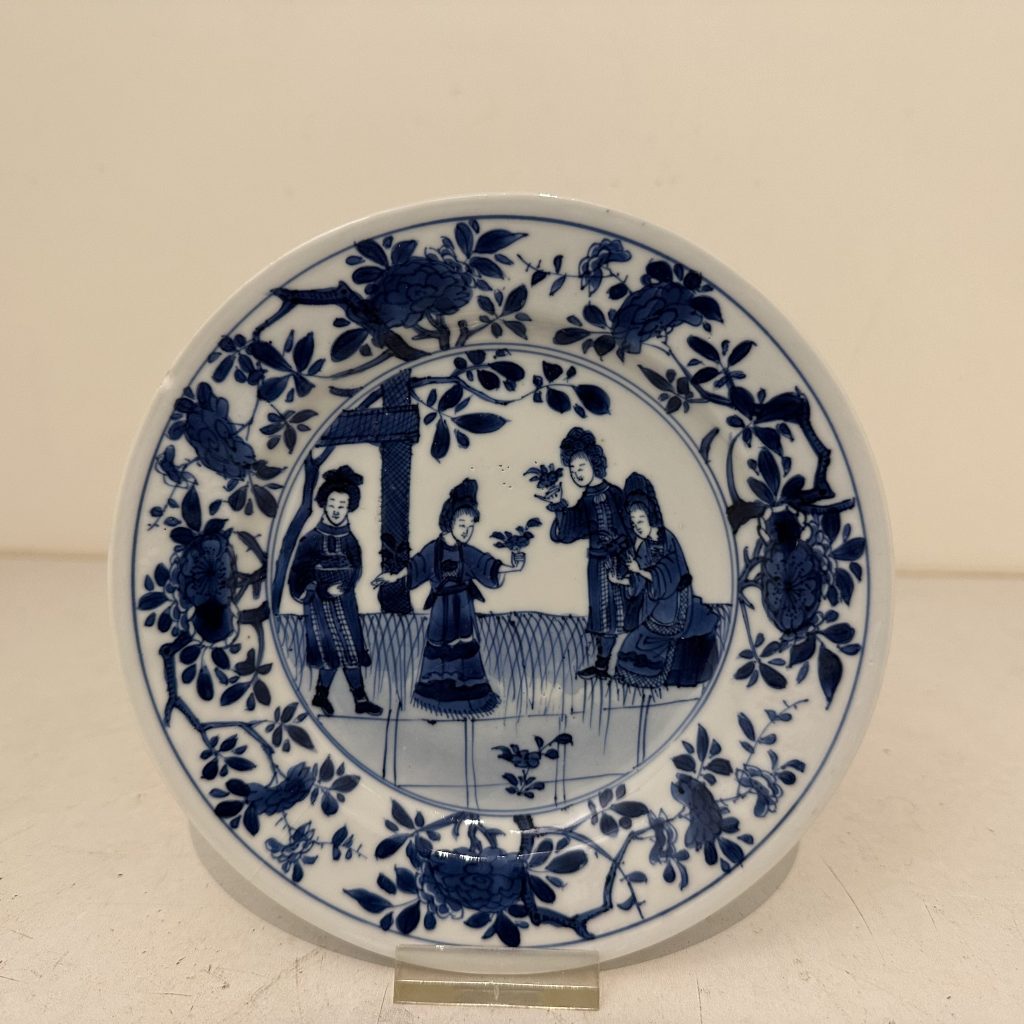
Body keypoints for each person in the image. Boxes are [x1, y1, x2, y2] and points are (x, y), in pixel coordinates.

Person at [372, 479, 524, 717]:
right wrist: (393, 576)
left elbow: (488, 565)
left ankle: (471, 698)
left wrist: (513, 568)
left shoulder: (467, 551)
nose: (466, 530)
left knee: (465, 648)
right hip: (441, 609)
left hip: (463, 606)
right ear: (449, 522)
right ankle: (435, 698)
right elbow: (415, 566)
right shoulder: (433, 549)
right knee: (439, 649)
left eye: (470, 526)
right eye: (462, 524)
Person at [609, 473, 720, 689]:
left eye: (641, 520)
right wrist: (621, 581)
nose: (637, 526)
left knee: (644, 640)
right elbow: (638, 581)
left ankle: (657, 675)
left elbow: (668, 574)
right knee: (632, 642)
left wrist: (640, 571)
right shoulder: (644, 546)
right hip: (657, 605)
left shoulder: (666, 538)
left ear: (650, 517)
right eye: (633, 522)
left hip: (674, 603)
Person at [287, 466, 382, 716]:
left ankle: (360, 700)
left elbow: (357, 567)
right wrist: (320, 587)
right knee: (328, 650)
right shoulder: (311, 539)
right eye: (332, 504)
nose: (337, 509)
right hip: (319, 603)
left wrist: (347, 584)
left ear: (349, 507)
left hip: (345, 601)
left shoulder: (350, 539)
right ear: (324, 504)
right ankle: (321, 695)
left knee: (351, 650)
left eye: (342, 505)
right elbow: (298, 572)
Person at [546, 427, 630, 679]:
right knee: (600, 618)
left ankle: (622, 663)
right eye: (572, 470)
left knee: (621, 614)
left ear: (595, 463)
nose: (577, 473)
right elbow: (569, 531)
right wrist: (559, 506)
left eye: (581, 467)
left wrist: (622, 548)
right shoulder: (585, 501)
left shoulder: (614, 494)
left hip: (621, 562)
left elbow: (630, 526)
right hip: (596, 565)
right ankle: (602, 666)